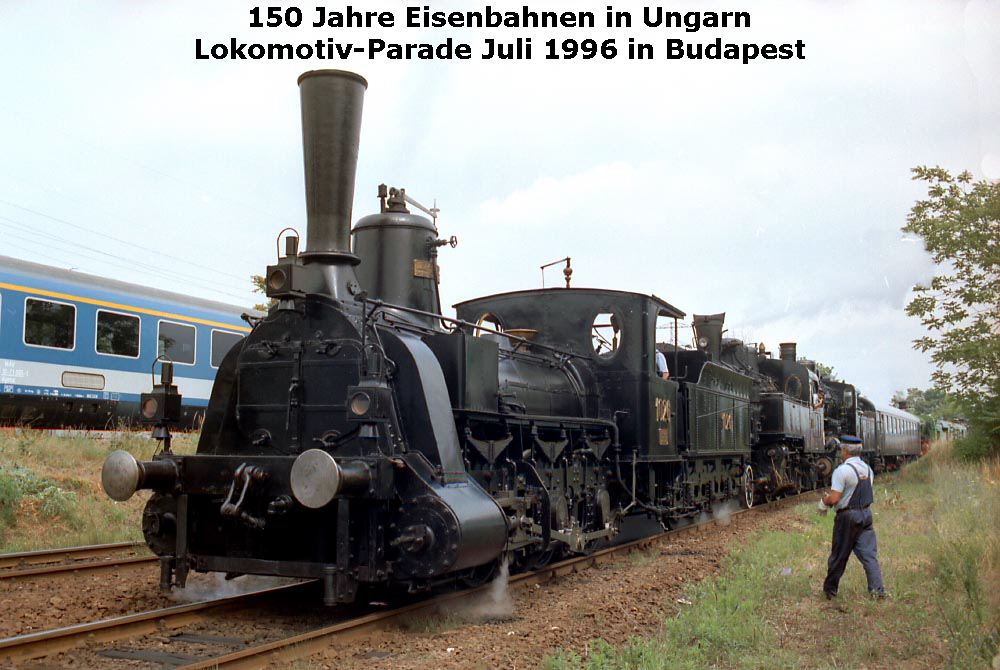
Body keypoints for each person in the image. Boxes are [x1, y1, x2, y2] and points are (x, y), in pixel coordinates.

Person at [817, 435, 885, 599]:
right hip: (866, 515)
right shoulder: (868, 469)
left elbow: (834, 498)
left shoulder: (842, 471)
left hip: (847, 517)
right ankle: (877, 591)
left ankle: (830, 591)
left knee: (839, 555)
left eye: (841, 450)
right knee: (869, 556)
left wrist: (824, 501)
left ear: (845, 451)